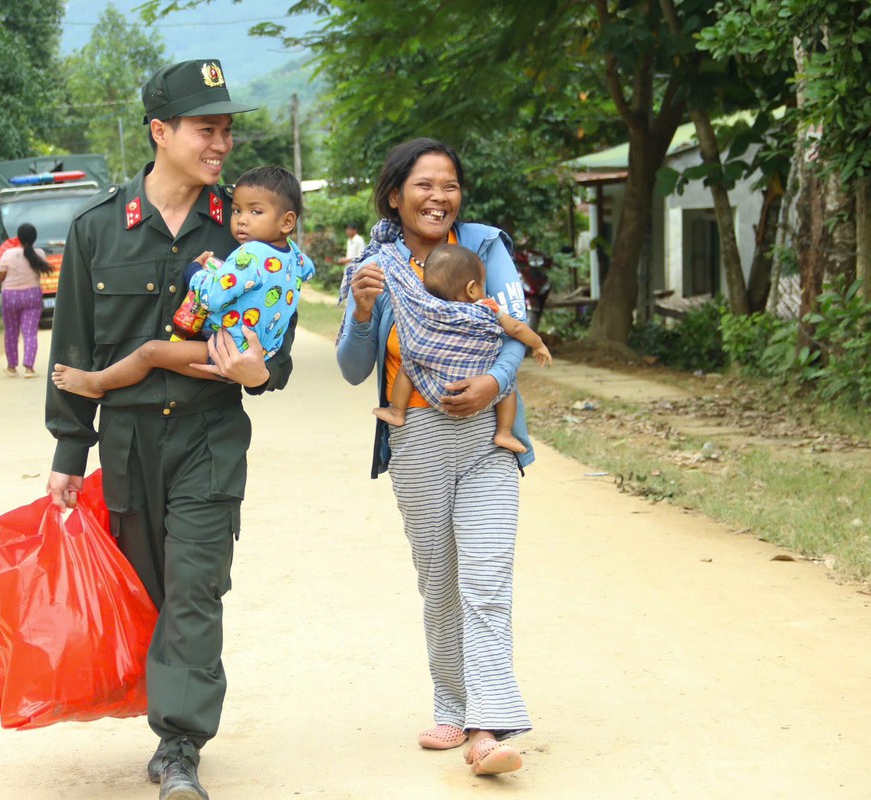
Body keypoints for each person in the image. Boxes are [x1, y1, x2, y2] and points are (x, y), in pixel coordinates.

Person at [44, 59, 296, 800]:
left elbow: (275, 350)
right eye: (205, 129)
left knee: (195, 588)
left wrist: (261, 373)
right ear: (161, 131)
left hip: (209, 437)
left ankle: (179, 747)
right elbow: (74, 348)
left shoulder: (243, 227)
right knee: (151, 591)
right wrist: (68, 450)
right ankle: (164, 713)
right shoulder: (97, 229)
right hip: (127, 444)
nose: (221, 144)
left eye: (226, 131)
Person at [335, 137, 533, 776]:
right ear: (395, 196)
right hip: (417, 438)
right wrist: (362, 310)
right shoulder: (376, 265)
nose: (439, 197)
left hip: (486, 437)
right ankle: (452, 706)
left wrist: (492, 384)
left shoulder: (485, 247)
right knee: (439, 578)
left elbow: (512, 330)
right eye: (424, 185)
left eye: (449, 185)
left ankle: (488, 727)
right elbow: (352, 367)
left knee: (486, 575)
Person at [51, 165, 314, 398]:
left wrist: (194, 273)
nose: (242, 220)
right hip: (261, 353)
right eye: (236, 210)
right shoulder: (295, 256)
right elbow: (306, 273)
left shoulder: (251, 253)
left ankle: (96, 383)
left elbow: (214, 296)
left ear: (287, 221)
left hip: (229, 351)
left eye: (255, 212)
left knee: (151, 352)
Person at [372, 242, 552, 454]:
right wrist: (538, 344)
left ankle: (397, 411)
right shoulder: (487, 306)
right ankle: (504, 432)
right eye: (483, 284)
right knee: (508, 385)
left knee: (408, 365)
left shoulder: (427, 309)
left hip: (438, 392)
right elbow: (515, 328)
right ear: (472, 289)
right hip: (481, 389)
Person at [0, 222, 51, 378]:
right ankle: (29, 369)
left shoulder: (8, 254)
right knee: (30, 332)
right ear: (34, 238)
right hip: (32, 295)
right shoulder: (39, 254)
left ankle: (12, 367)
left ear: (18, 237)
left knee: (11, 331)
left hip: (10, 296)